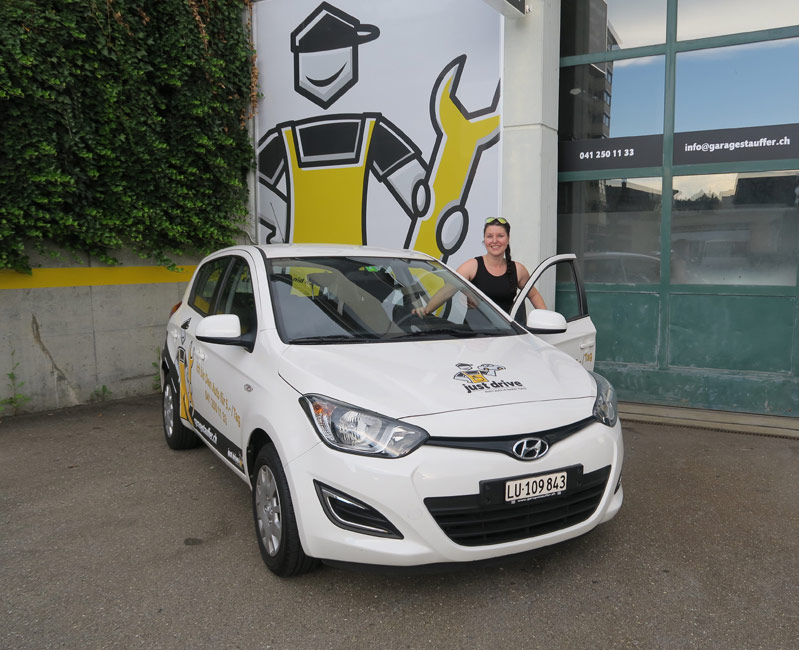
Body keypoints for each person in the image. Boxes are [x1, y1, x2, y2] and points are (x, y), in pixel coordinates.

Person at [414, 217, 547, 316]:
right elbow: (447, 291)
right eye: (489, 236)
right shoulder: (471, 267)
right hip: (476, 336)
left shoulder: (518, 270)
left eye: (500, 236)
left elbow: (534, 295)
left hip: (508, 336)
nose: (494, 241)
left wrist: (549, 320)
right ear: (484, 240)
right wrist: (426, 310)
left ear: (507, 239)